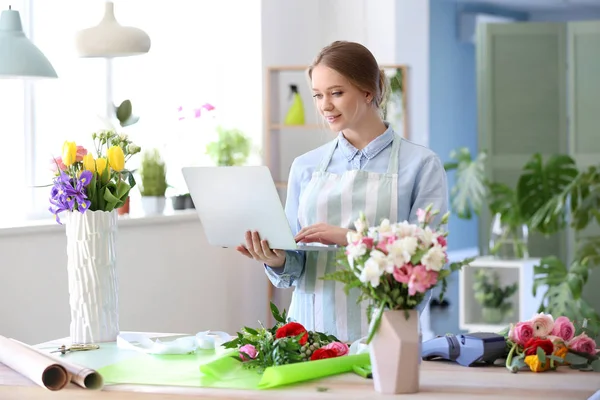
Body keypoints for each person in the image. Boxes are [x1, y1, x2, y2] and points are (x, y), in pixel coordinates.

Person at [236, 40, 448, 343]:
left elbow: (429, 261)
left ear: (368, 91)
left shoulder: (421, 165)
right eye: (318, 95)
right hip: (308, 337)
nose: (325, 106)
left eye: (336, 93)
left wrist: (349, 239)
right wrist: (276, 258)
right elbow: (295, 264)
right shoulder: (305, 166)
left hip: (383, 337)